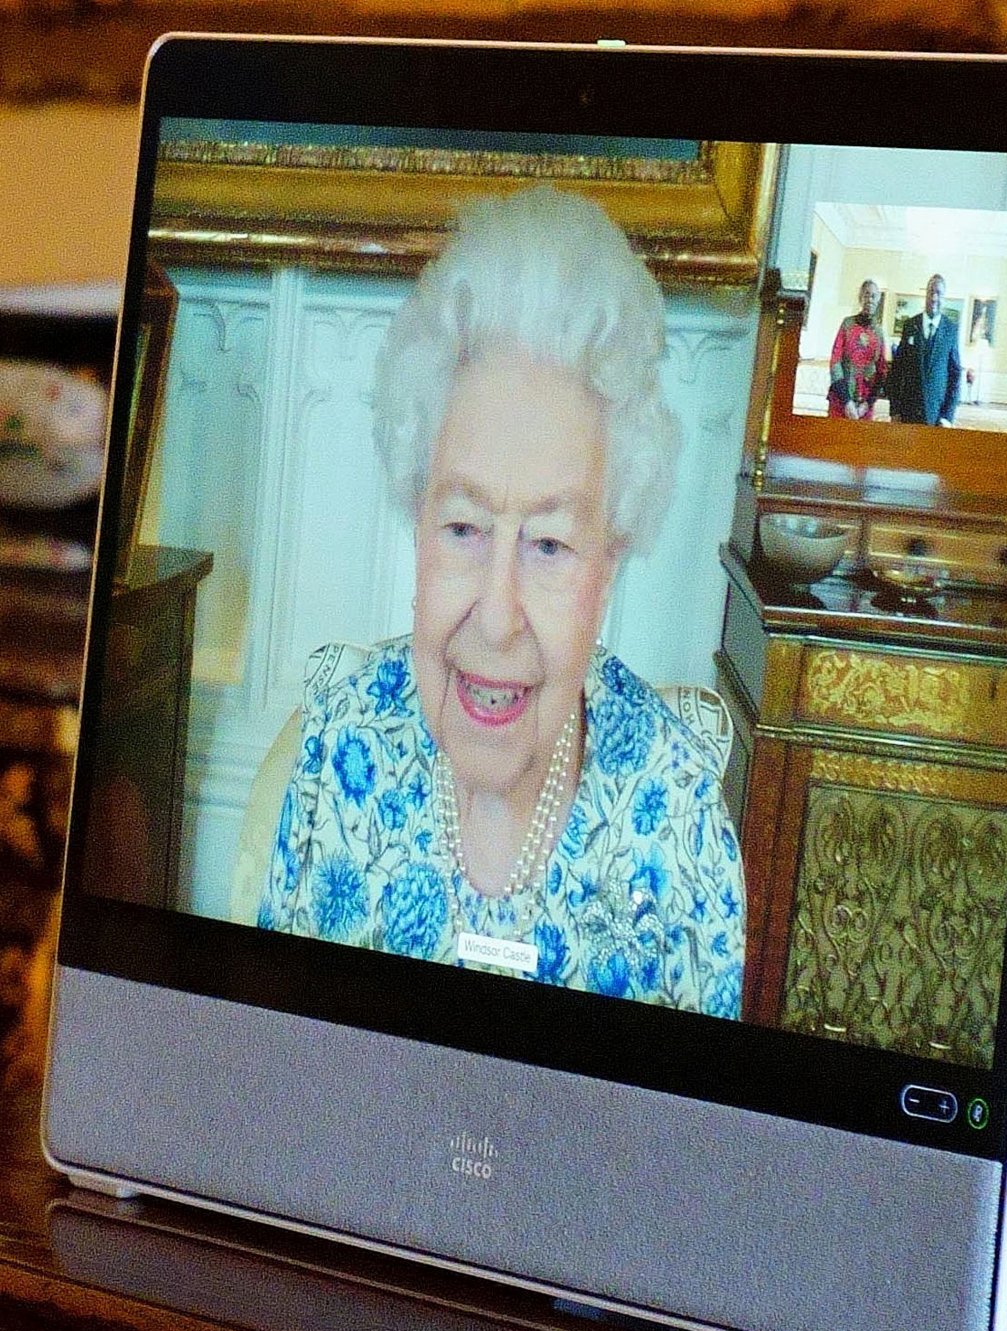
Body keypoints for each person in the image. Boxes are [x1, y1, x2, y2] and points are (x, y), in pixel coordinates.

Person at [259, 186, 746, 1021]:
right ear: (417, 521)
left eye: (549, 544)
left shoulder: (678, 821)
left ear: (609, 565)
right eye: (463, 527)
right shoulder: (338, 752)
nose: (495, 616)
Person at [888, 273, 962, 427]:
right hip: (908, 412)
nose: (934, 298)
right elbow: (897, 370)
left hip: (937, 416)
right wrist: (894, 410)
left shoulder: (951, 330)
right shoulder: (910, 325)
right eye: (931, 292)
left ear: (944, 297)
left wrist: (947, 416)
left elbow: (955, 375)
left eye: (939, 293)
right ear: (926, 294)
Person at [826, 279, 888, 420]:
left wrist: (867, 404)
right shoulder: (847, 324)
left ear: (878, 300)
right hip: (840, 401)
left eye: (873, 296)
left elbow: (881, 370)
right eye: (866, 295)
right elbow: (835, 361)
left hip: (864, 406)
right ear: (860, 298)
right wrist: (846, 401)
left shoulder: (879, 332)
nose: (869, 300)